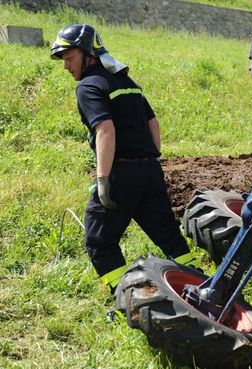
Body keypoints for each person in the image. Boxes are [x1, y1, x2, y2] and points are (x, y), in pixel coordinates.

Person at [51, 24, 197, 293]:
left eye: (69, 58)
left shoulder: (88, 86)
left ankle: (125, 301)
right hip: (150, 171)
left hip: (120, 174)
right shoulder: (128, 83)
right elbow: (153, 123)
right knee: (167, 233)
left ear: (88, 54)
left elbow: (105, 129)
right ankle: (200, 287)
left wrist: (104, 179)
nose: (66, 66)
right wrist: (150, 160)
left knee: (100, 242)